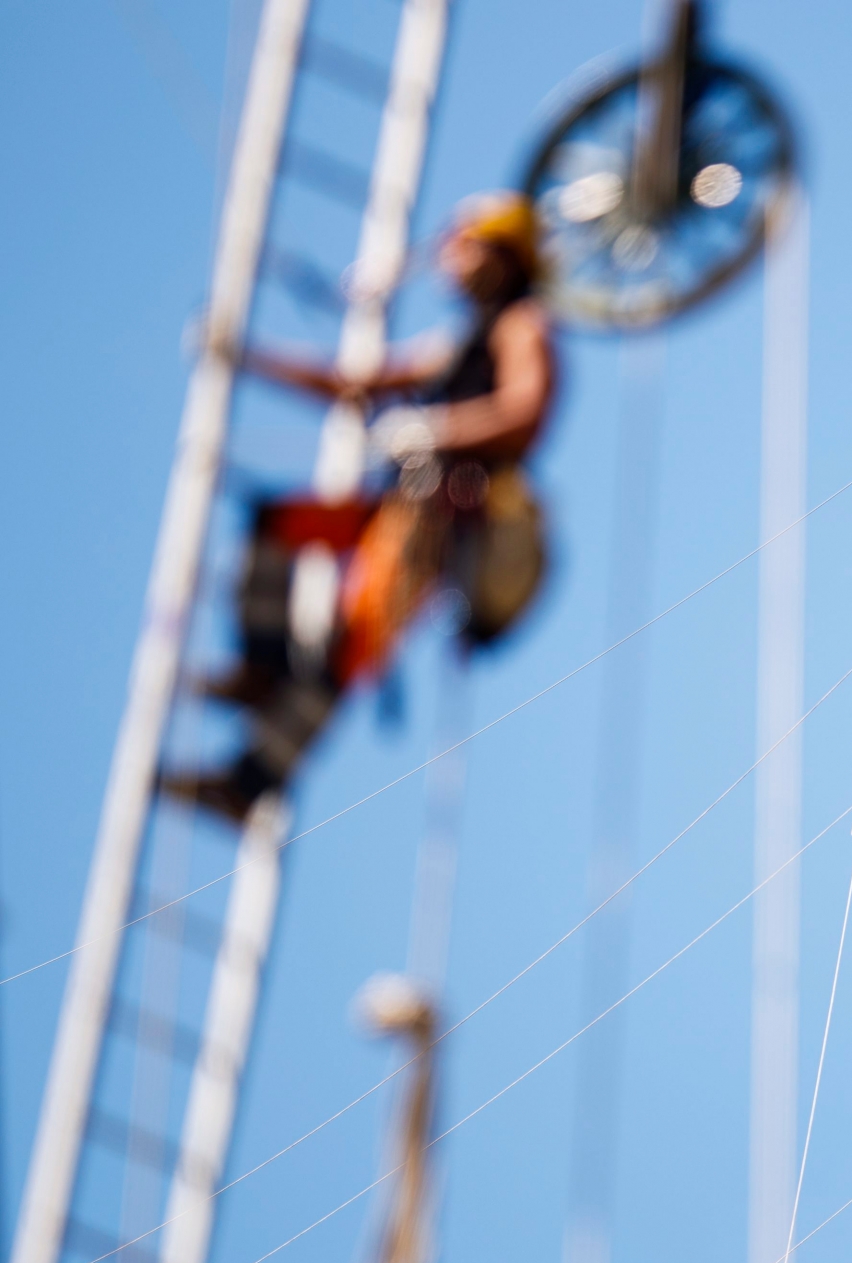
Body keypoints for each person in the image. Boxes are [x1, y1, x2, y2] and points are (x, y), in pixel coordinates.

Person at [162, 192, 557, 823]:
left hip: (446, 522)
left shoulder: (522, 325)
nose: (450, 257)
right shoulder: (461, 341)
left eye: (465, 244)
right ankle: (262, 667)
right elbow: (357, 384)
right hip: (401, 504)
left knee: (347, 644)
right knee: (278, 524)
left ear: (501, 256)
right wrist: (248, 358)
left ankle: (247, 784)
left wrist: (435, 429)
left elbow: (523, 412)